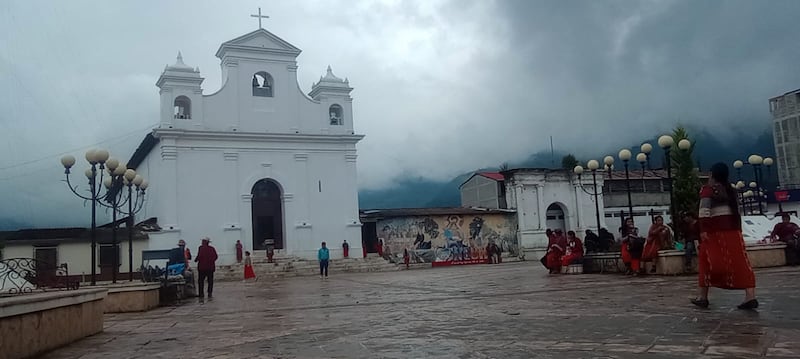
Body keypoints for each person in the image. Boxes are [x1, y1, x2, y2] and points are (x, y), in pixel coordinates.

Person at [692, 162, 757, 310]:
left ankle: (703, 297)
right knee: (741, 262)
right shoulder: (732, 190)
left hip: (714, 233)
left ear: (712, 175)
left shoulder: (707, 190)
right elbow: (737, 212)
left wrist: (703, 231)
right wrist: (739, 230)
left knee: (706, 261)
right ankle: (750, 296)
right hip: (733, 232)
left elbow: (704, 212)